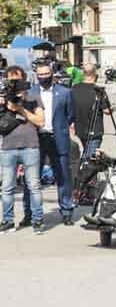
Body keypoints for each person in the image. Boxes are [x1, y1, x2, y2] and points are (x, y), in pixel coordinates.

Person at [27, 61, 76, 225]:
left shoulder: (65, 92)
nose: (43, 77)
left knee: (63, 176)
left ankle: (67, 211)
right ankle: (30, 214)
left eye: (46, 74)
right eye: (40, 75)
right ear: (36, 76)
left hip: (58, 138)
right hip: (37, 138)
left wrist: (60, 128)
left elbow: (70, 115)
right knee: (33, 178)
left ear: (52, 74)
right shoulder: (30, 92)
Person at [0, 66, 45, 233]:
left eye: (18, 81)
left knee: (33, 185)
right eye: (11, 81)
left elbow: (41, 122)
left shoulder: (33, 98)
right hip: (8, 148)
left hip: (30, 146)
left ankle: (37, 220)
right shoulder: (3, 98)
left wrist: (21, 109)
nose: (15, 85)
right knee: (7, 187)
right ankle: (7, 220)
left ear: (24, 80)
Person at [71, 63, 112, 162]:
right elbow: (107, 111)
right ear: (95, 74)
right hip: (95, 130)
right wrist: (111, 108)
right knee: (90, 159)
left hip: (80, 128)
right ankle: (86, 174)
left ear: (83, 73)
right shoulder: (98, 90)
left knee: (87, 152)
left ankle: (84, 171)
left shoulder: (74, 89)